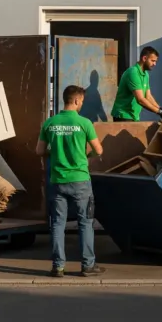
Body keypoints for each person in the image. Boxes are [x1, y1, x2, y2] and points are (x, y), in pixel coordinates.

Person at [36, 85, 104, 278]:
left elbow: (39, 151)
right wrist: (83, 154)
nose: (81, 104)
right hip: (81, 180)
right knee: (85, 222)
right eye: (81, 101)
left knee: (58, 223)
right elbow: (99, 150)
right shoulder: (85, 123)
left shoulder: (50, 123)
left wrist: (56, 153)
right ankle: (87, 265)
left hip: (57, 179)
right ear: (75, 100)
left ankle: (58, 267)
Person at [110, 46, 162, 122]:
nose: (155, 64)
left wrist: (161, 110)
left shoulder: (145, 74)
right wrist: (159, 112)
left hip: (134, 116)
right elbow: (140, 100)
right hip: (123, 115)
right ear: (144, 58)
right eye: (153, 61)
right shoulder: (133, 72)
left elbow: (148, 96)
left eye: (155, 61)